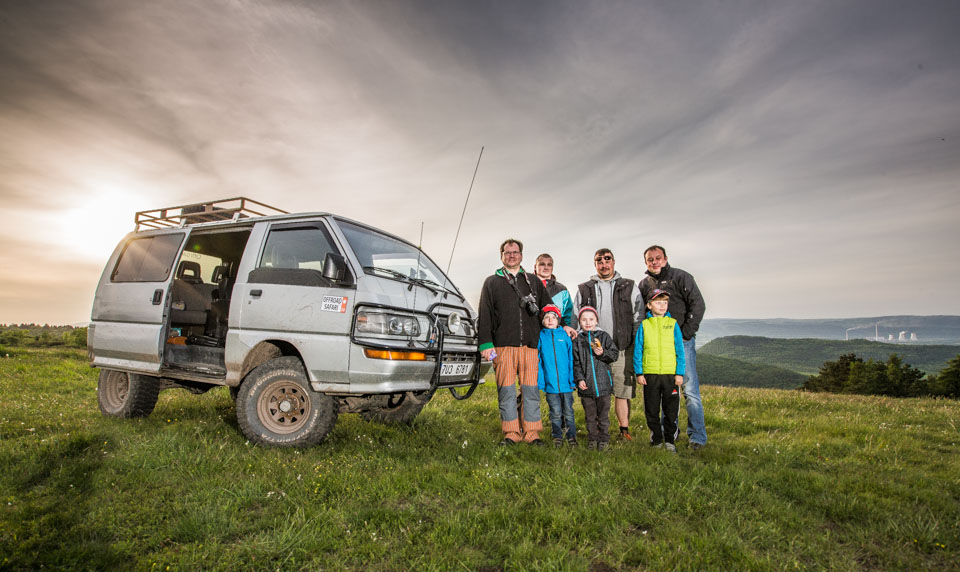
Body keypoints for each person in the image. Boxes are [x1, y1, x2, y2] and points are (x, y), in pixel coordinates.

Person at [478, 238, 554, 446]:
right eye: (507, 252)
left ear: (521, 255)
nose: (512, 255)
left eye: (515, 252)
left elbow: (548, 307)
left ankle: (532, 433)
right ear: (501, 256)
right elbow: (485, 314)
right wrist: (486, 344)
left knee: (530, 391)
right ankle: (511, 433)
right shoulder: (491, 282)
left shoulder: (533, 281)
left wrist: (561, 324)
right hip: (502, 346)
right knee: (507, 390)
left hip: (530, 346)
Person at [639, 245, 707, 450]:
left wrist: (686, 332)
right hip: (656, 348)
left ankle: (697, 437)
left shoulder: (681, 277)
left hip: (680, 342)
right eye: (650, 259)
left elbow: (698, 304)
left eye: (658, 258)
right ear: (646, 262)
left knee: (690, 389)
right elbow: (642, 313)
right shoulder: (645, 284)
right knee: (664, 391)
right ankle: (668, 436)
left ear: (665, 258)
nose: (654, 262)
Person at [574, 248, 642, 442]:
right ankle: (596, 432)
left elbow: (638, 315)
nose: (603, 264)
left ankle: (624, 430)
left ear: (613, 262)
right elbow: (575, 319)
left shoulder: (629, 286)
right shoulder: (584, 288)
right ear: (595, 264)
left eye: (607, 259)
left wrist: (634, 343)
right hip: (591, 351)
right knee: (595, 393)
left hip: (620, 348)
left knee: (621, 390)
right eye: (599, 261)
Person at [633, 289, 685, 453]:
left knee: (670, 410)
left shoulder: (673, 324)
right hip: (650, 374)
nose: (662, 305)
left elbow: (680, 350)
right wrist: (639, 373)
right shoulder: (644, 325)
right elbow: (638, 350)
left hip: (671, 375)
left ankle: (670, 439)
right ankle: (656, 438)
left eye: (665, 302)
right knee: (652, 409)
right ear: (649, 305)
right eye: (658, 302)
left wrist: (680, 373)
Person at [572, 306, 618, 451]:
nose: (587, 322)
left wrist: (603, 353)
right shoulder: (578, 339)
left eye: (591, 319)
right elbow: (576, 362)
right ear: (579, 321)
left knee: (603, 415)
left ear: (596, 320)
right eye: (584, 320)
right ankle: (592, 437)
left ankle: (603, 438)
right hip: (587, 385)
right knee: (590, 415)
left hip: (603, 385)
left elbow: (614, 355)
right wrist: (580, 379)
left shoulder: (604, 336)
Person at [536, 304, 577, 448]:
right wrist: (541, 383)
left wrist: (572, 380)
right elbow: (539, 361)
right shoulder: (541, 336)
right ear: (542, 321)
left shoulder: (564, 336)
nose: (550, 320)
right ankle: (557, 436)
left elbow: (571, 360)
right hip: (551, 385)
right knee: (555, 412)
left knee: (569, 412)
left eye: (553, 317)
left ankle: (572, 436)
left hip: (566, 384)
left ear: (558, 320)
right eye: (546, 317)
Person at [534, 253, 576, 332]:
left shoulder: (562, 290)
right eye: (542, 264)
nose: (546, 267)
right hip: (532, 336)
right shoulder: (526, 286)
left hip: (555, 337)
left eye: (549, 265)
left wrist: (565, 332)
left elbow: (569, 315)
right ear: (535, 267)